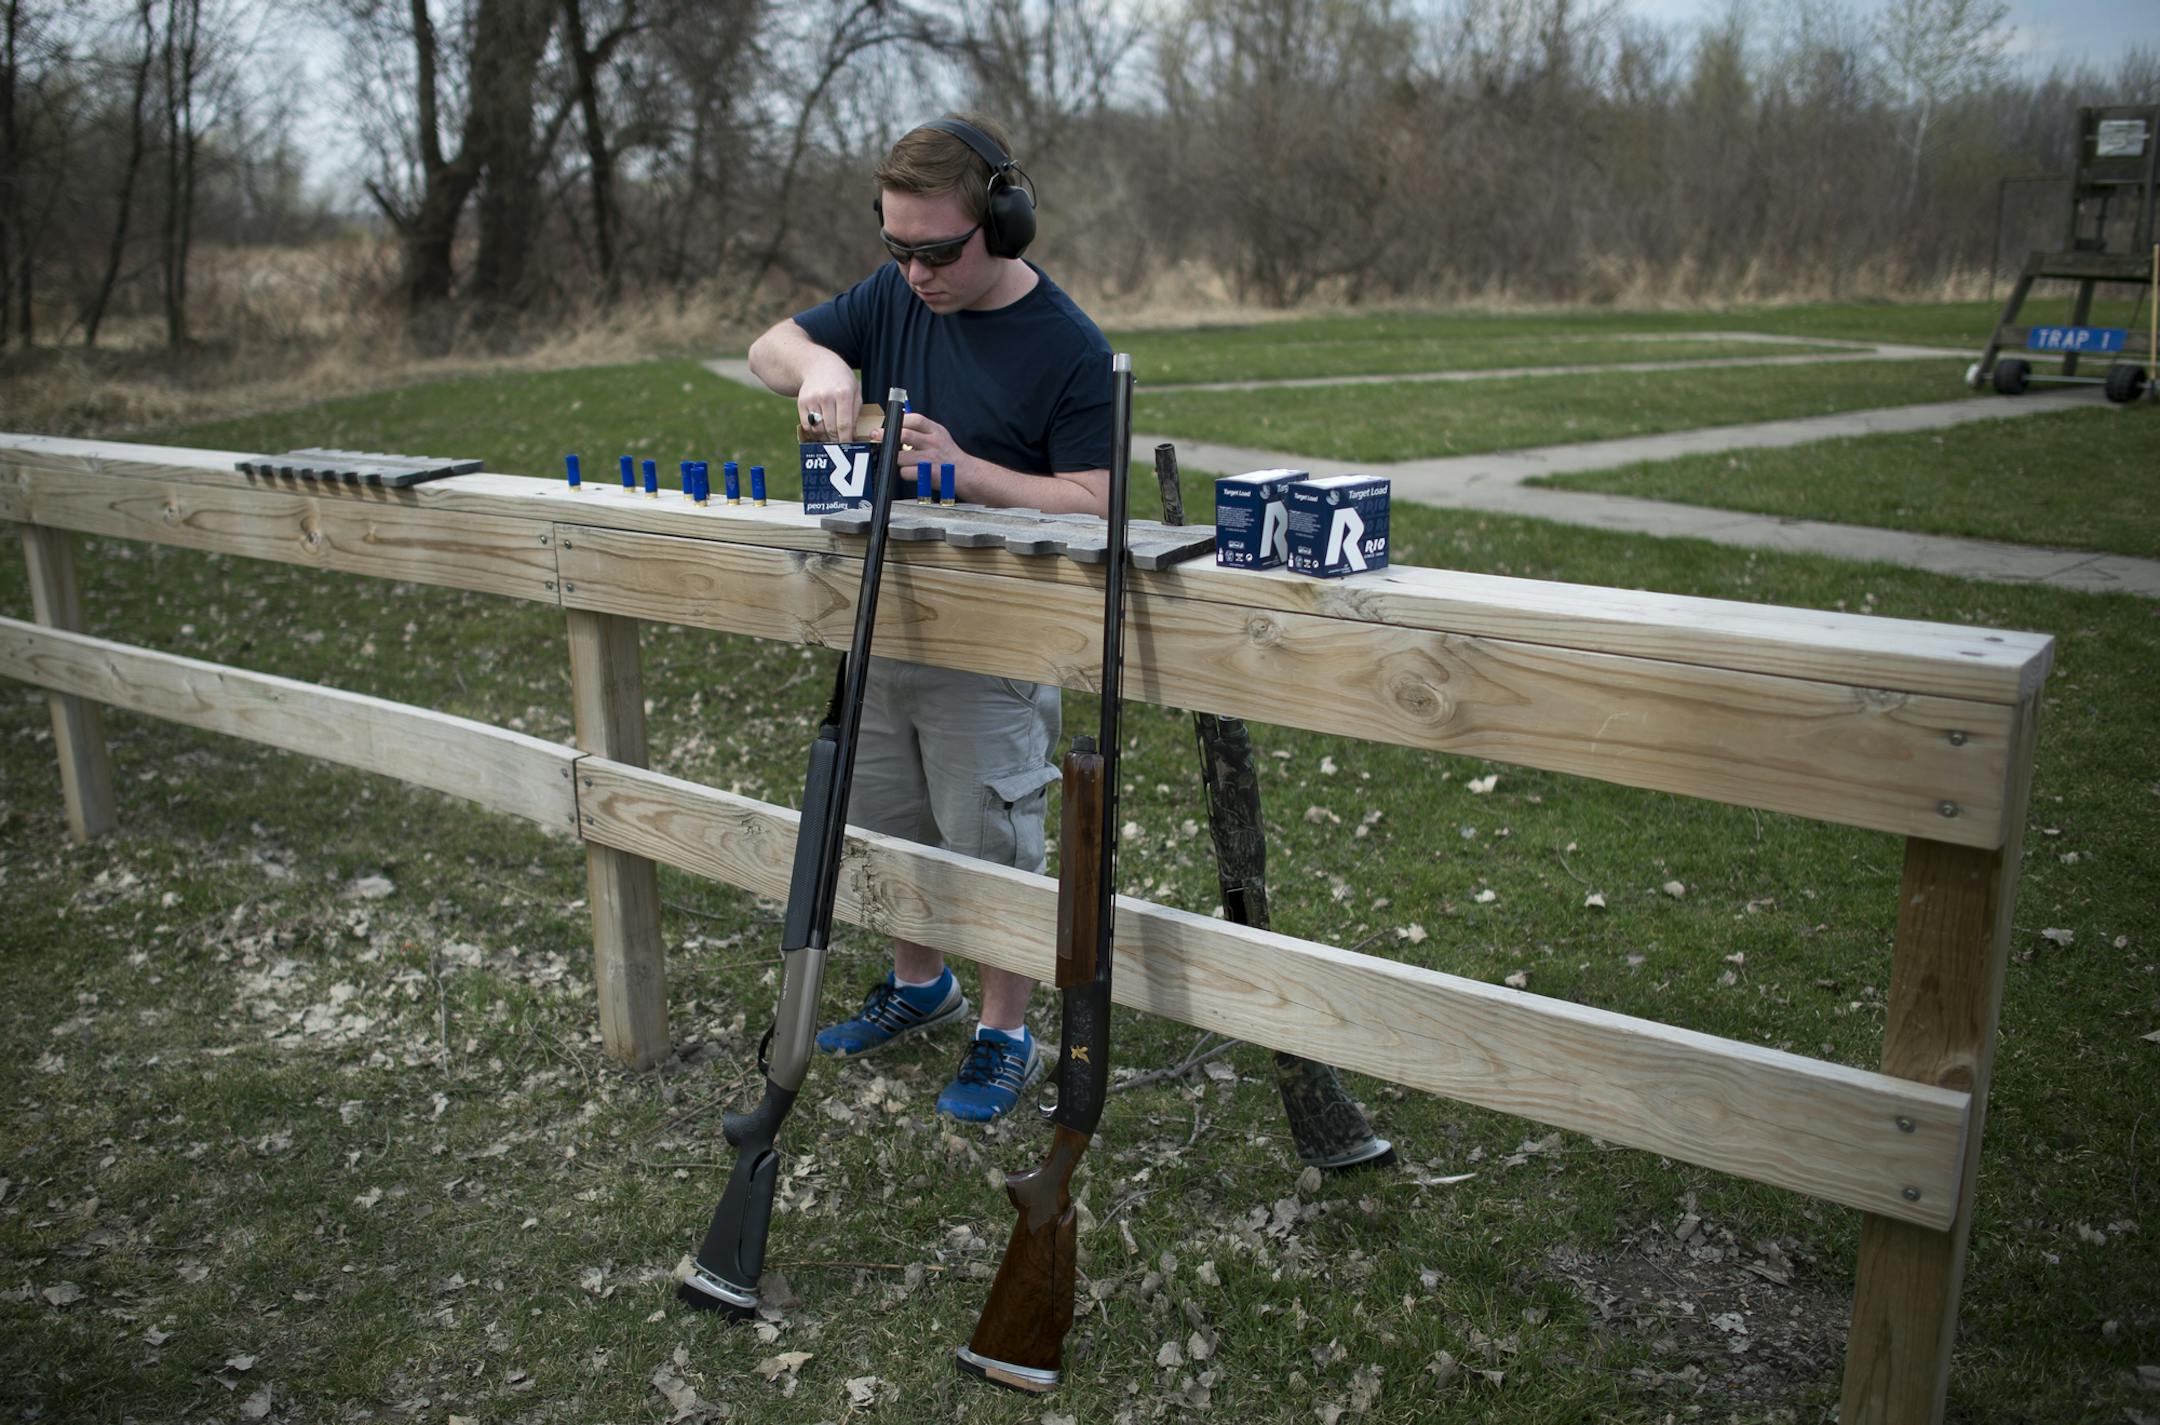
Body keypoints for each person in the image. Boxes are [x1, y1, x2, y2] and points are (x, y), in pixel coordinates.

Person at [745, 114, 1113, 1122]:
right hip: (884, 619)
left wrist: (970, 472)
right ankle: (921, 985)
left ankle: (1004, 1031)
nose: (916, 275)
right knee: (886, 818)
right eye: (896, 249)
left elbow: (1096, 498)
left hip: (997, 635)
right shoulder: (894, 293)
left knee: (988, 833)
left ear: (1004, 221)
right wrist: (821, 369)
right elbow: (770, 343)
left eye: (938, 252)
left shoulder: (1070, 347)